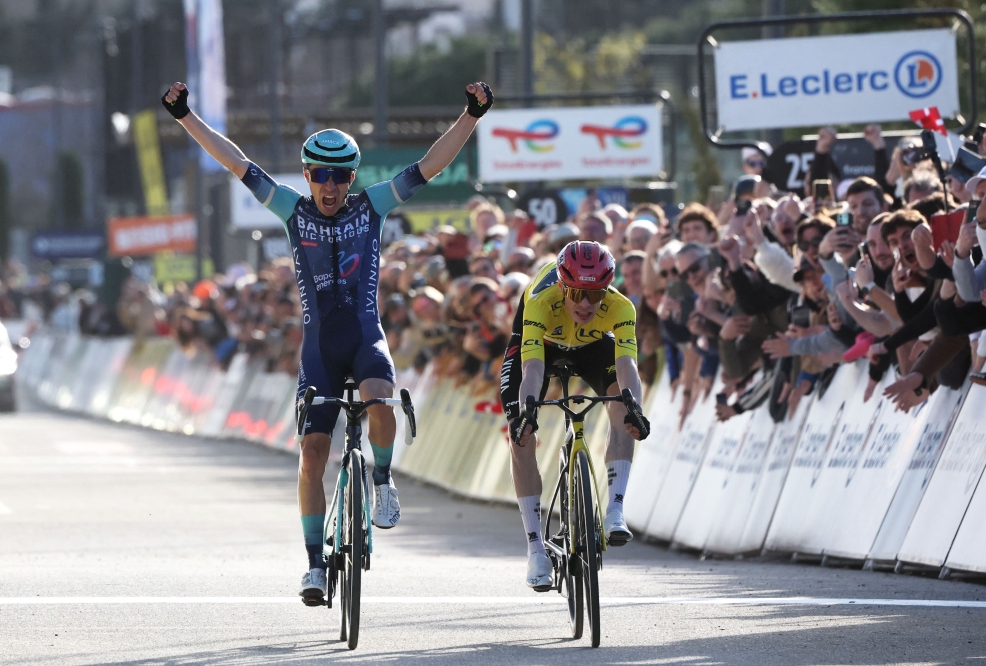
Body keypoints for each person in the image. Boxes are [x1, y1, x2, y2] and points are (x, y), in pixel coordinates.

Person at [161, 79, 494, 605]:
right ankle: (315, 566)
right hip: (319, 348)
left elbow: (429, 165)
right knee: (313, 452)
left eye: (341, 177)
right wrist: (185, 117)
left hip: (364, 336)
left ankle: (383, 482)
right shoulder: (292, 210)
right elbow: (237, 162)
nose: (331, 187)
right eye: (321, 176)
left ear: (352, 178)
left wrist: (471, 116)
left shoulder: (373, 206)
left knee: (381, 401)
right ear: (308, 175)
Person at [499, 241, 650, 590]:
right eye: (578, 293)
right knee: (521, 436)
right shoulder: (540, 301)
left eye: (596, 295)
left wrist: (635, 409)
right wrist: (527, 412)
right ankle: (536, 547)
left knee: (623, 409)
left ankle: (614, 509)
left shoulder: (621, 307)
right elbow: (533, 369)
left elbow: (627, 366)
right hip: (542, 347)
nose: (586, 303)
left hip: (593, 348)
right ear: (563, 286)